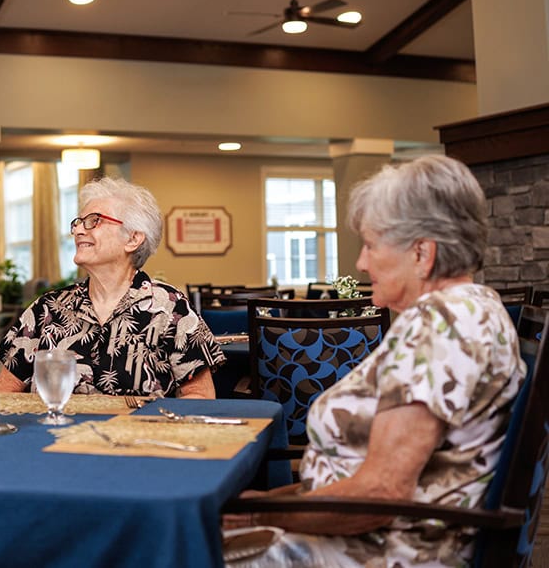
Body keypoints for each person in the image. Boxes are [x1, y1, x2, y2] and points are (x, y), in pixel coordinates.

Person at [222, 155, 525, 567]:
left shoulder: (440, 325)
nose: (362, 263)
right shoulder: (476, 307)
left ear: (422, 253)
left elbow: (381, 495)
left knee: (174, 547)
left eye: (371, 244)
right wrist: (269, 501)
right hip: (387, 535)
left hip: (390, 552)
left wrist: (258, 513)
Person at [0, 176, 224, 399]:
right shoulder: (47, 309)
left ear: (133, 239)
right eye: (78, 223)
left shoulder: (170, 308)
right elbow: (3, 394)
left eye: (94, 220)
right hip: (57, 435)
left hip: (137, 437)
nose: (78, 231)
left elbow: (199, 396)